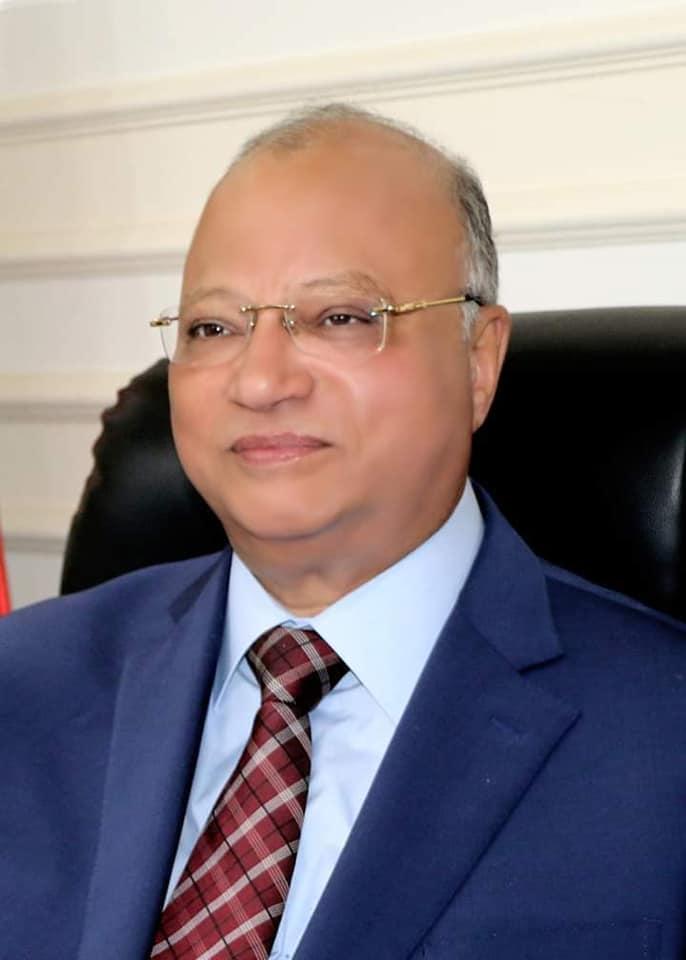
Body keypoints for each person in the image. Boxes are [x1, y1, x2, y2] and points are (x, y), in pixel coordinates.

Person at [1, 103, 685, 960]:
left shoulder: (664, 737)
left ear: (479, 362)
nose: (260, 381)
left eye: (341, 317)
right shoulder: (21, 684)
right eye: (213, 327)